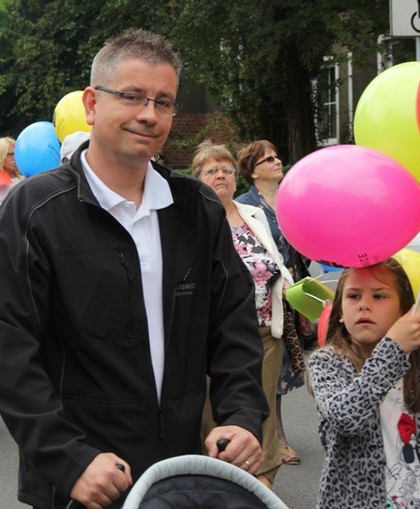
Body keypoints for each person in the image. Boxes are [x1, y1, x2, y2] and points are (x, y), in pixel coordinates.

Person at [0, 29, 267, 509]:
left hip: (178, 479)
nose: (149, 114)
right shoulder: (36, 210)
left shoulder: (196, 209)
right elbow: (8, 348)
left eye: (164, 102)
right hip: (81, 483)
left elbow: (233, 326)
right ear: (92, 104)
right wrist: (68, 459)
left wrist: (241, 417)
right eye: (132, 96)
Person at [307, 258, 420, 508]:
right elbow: (347, 418)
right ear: (340, 313)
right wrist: (392, 350)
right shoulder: (327, 362)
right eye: (354, 296)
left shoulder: (417, 368)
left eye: (379, 296)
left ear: (403, 312)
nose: (364, 305)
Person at [192, 140, 297, 490]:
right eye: (211, 171)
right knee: (215, 415)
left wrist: (287, 284)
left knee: (262, 411)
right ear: (198, 178)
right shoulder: (192, 218)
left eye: (226, 170)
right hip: (213, 339)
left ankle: (262, 482)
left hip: (265, 333)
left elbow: (275, 261)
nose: (220, 175)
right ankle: (218, 484)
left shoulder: (253, 215)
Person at [236, 139, 308, 465]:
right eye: (268, 159)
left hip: (291, 295)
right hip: (262, 302)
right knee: (266, 373)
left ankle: (272, 437)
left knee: (281, 370)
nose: (277, 161)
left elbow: (300, 252)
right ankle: (275, 439)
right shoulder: (245, 207)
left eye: (277, 156)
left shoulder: (291, 202)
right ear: (253, 172)